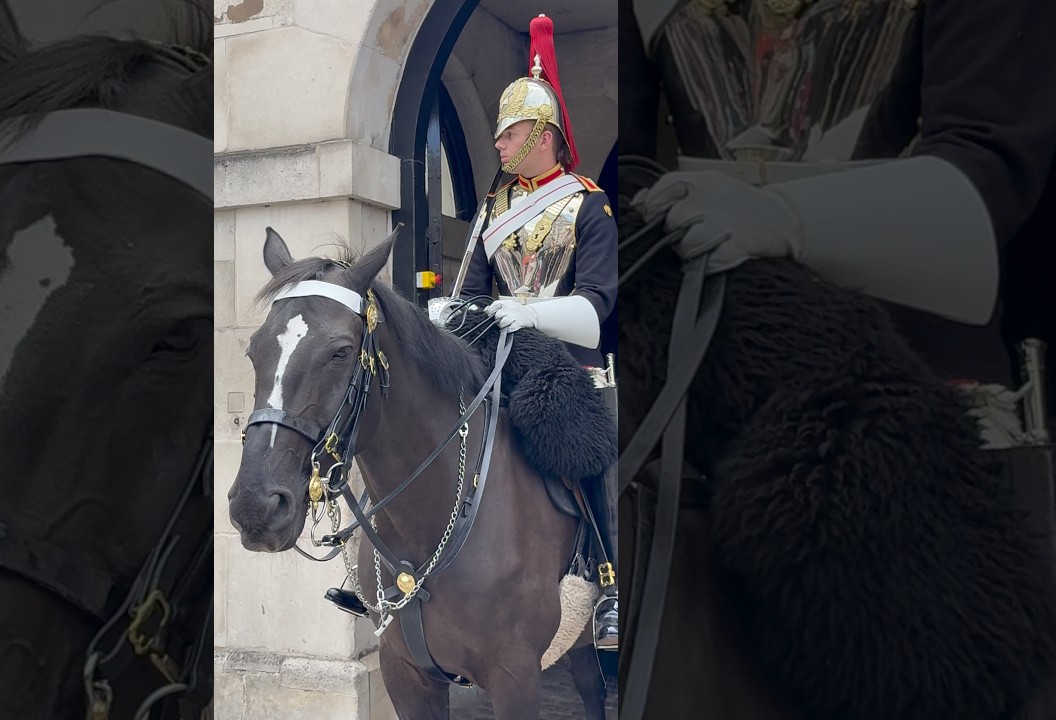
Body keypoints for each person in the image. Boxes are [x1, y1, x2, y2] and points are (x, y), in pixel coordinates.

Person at [619, 0, 1056, 428]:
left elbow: (990, 163)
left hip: (916, 358)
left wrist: (785, 217)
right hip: (689, 352)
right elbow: (605, 157)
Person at [451, 13, 621, 650]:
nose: (497, 145)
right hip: (500, 360)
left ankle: (605, 581)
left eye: (509, 132)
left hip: (569, 366)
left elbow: (598, 306)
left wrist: (526, 313)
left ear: (541, 135)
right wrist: (447, 319)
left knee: (591, 457)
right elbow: (470, 294)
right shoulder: (491, 212)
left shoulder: (587, 203)